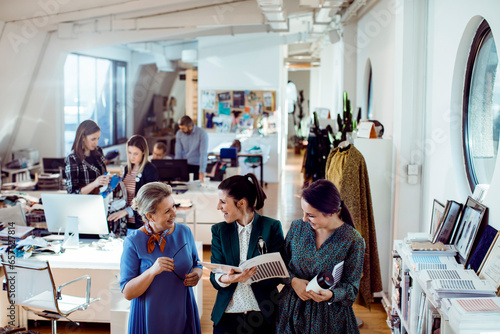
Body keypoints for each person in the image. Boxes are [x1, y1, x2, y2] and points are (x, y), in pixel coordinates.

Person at [276, 179, 365, 334]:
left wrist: (330, 294)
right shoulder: (297, 227)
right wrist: (293, 281)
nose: (304, 219)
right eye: (303, 212)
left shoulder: (353, 240)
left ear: (331, 212)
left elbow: (351, 289)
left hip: (330, 320)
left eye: (310, 215)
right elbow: (281, 263)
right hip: (290, 313)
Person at [120, 182, 202, 334]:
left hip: (183, 312)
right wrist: (152, 271)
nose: (174, 213)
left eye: (173, 206)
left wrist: (197, 274)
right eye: (167, 211)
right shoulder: (133, 241)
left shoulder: (184, 232)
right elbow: (127, 293)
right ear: (150, 216)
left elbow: (197, 264)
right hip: (149, 317)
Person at [210, 173, 284, 334]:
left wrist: (254, 276)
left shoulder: (271, 227)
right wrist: (229, 278)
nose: (218, 207)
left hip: (262, 313)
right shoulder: (219, 231)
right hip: (227, 314)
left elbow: (279, 274)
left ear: (241, 203)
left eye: (223, 202)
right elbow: (214, 276)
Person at [108, 135, 159, 229]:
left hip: (140, 223)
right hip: (125, 222)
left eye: (135, 154)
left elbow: (148, 199)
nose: (132, 157)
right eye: (129, 152)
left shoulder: (150, 170)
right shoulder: (127, 169)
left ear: (143, 152)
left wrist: (127, 211)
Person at [65, 119, 110, 194]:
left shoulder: (99, 151)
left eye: (98, 138)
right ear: (83, 137)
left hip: (100, 200)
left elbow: (104, 177)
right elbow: (72, 194)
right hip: (83, 203)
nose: (96, 143)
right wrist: (94, 184)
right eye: (93, 139)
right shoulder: (72, 158)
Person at [175, 116, 208, 181]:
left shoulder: (202, 133)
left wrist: (202, 171)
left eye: (183, 128)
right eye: (180, 128)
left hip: (197, 166)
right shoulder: (179, 133)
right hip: (184, 165)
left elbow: (203, 154)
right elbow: (178, 153)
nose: (181, 130)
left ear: (190, 127)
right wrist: (177, 170)